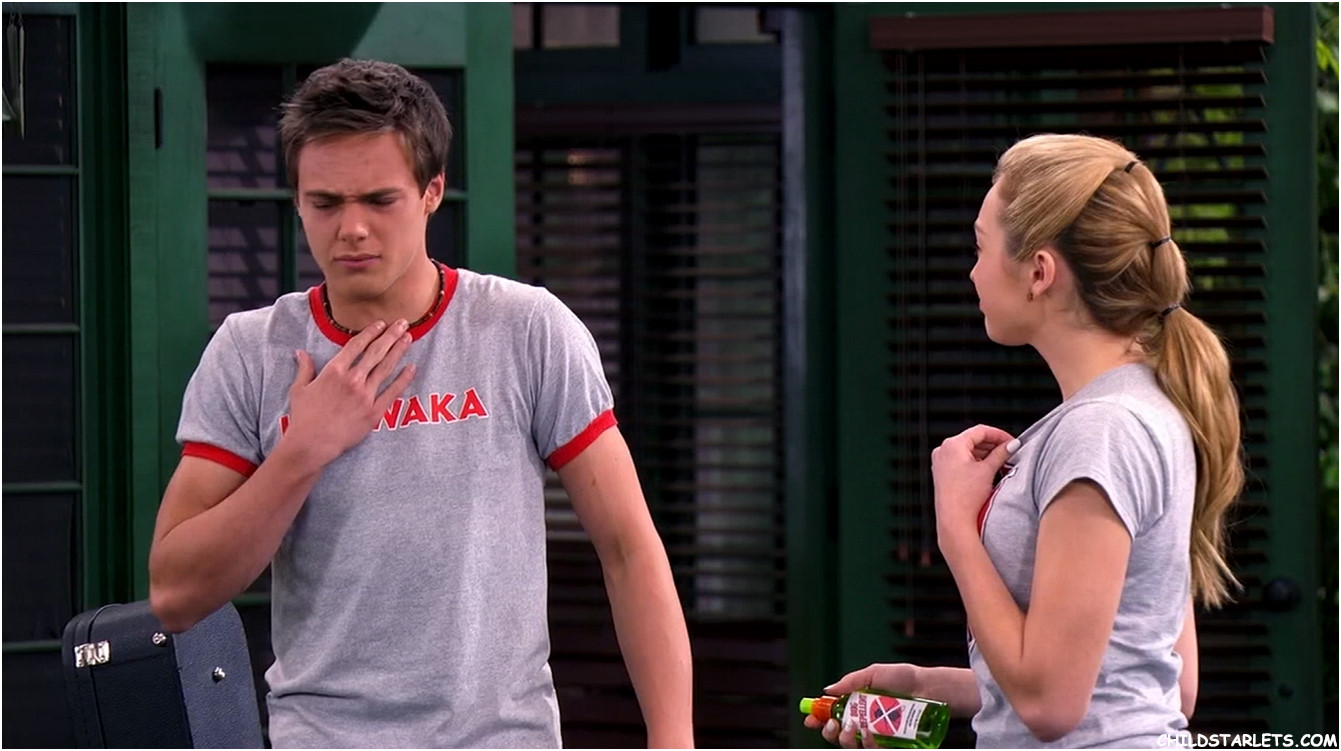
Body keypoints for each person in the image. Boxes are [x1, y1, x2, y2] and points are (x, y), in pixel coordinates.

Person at [147, 58, 694, 749]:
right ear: (297, 202)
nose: (351, 228)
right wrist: (302, 451)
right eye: (325, 203)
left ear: (432, 190)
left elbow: (627, 547)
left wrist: (673, 739)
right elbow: (176, 594)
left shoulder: (525, 329)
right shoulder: (252, 350)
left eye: (379, 200)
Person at [808, 134, 1242, 748]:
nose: (972, 271)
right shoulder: (1146, 410)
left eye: (980, 246)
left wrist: (956, 527)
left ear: (1039, 272)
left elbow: (1050, 703)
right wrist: (928, 685)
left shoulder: (1101, 432)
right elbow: (1152, 681)